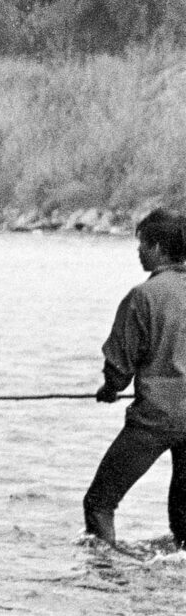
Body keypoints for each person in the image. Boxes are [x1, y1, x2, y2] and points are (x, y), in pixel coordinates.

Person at [83, 208, 186, 546]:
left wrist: (109, 389)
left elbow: (119, 367)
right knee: (184, 517)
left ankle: (105, 578)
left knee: (99, 503)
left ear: (157, 248)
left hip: (155, 419)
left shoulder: (143, 297)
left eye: (142, 244)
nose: (138, 251)